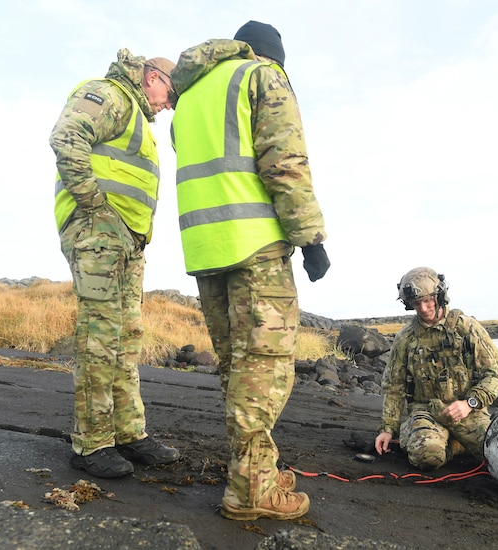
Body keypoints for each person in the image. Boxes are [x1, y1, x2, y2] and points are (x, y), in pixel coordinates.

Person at [170, 21, 330, 521]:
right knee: (266, 370)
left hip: (205, 249)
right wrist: (310, 239)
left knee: (239, 370)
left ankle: (254, 469)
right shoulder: (261, 77)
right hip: (255, 245)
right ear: (271, 55)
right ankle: (250, 493)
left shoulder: (192, 95)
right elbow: (284, 164)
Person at [49, 49, 180, 478]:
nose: (168, 103)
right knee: (100, 335)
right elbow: (67, 137)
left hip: (127, 241)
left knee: (126, 338)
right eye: (169, 92)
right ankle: (92, 444)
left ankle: (128, 433)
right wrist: (95, 206)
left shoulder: (139, 118)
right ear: (151, 76)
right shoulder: (110, 95)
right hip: (98, 231)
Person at [375, 267, 498, 470]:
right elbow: (394, 386)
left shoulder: (467, 328)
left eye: (428, 301)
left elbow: (496, 373)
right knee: (426, 456)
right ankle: (446, 445)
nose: (423, 308)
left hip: (468, 412)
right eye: (416, 304)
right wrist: (387, 429)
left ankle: (455, 443)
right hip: (426, 413)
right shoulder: (406, 338)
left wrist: (470, 403)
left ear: (440, 296)